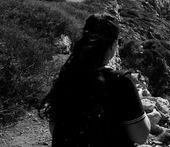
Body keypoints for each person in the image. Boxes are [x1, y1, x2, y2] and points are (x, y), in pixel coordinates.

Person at [40, 13, 150, 146]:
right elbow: (141, 136)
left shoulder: (67, 76)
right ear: (114, 44)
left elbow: (55, 130)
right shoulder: (120, 82)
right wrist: (139, 106)